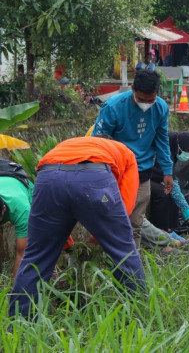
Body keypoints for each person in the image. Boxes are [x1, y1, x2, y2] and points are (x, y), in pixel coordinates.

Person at [8, 136, 146, 319]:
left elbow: (55, 226)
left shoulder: (68, 145)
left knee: (35, 257)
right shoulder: (127, 155)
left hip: (48, 176)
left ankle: (19, 326)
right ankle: (138, 317)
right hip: (93, 176)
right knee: (124, 251)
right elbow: (126, 206)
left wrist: (68, 245)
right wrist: (99, 238)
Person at [93, 69, 172, 247]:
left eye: (150, 100)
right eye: (141, 99)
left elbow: (162, 139)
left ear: (157, 94)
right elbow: (98, 142)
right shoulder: (113, 107)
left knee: (136, 223)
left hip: (143, 173)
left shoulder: (160, 108)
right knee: (113, 221)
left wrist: (168, 170)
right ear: (132, 89)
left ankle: (131, 267)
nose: (145, 104)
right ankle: (110, 262)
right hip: (116, 174)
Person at [149, 131, 189, 233]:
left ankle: (171, 229)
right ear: (182, 146)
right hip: (145, 176)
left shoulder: (174, 146)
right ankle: (162, 230)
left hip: (157, 176)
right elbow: (169, 181)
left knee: (172, 191)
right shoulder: (164, 149)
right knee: (164, 193)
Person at [0, 161, 34, 276]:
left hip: (20, 185)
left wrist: (14, 291)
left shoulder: (23, 210)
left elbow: (22, 253)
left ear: (4, 209)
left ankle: (70, 250)